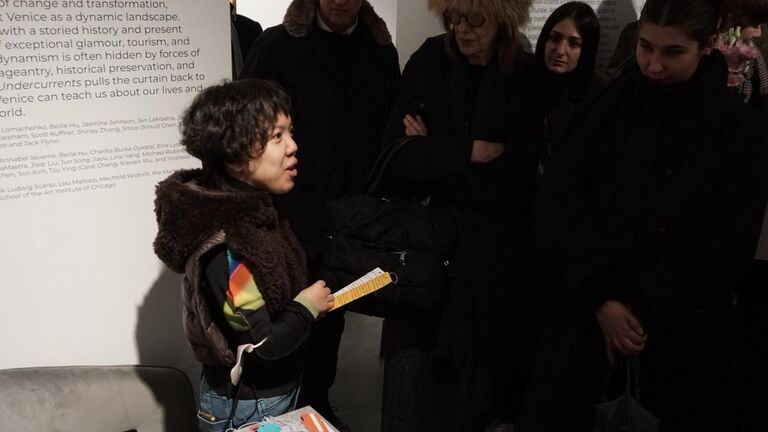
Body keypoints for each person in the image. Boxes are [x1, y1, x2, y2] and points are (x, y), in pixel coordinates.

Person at [521, 0, 768, 430]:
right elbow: (562, 203)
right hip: (587, 322)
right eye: (646, 47)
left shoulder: (737, 129)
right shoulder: (608, 108)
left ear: (708, 45)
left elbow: (727, 241)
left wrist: (640, 307)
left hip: (683, 337)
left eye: (672, 53)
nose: (653, 65)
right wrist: (603, 297)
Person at [376, 0, 541, 430]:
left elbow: (515, 175)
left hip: (492, 260)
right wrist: (468, 151)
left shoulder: (523, 75)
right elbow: (396, 156)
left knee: (474, 389)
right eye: (454, 18)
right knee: (410, 388)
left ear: (502, 18)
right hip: (425, 255)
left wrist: (434, 152)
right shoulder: (430, 59)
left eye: (476, 19)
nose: (462, 30)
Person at [239, 1, 399, 429]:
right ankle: (278, 411)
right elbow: (246, 125)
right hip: (289, 212)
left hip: (349, 215)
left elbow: (387, 125)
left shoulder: (380, 51)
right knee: (284, 312)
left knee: (333, 313)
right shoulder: (276, 45)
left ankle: (316, 403)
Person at [153, 80, 335, 432]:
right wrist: (306, 308)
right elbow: (259, 347)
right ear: (235, 157)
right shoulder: (228, 251)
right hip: (248, 406)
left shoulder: (257, 213)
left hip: (271, 394)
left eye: (290, 132)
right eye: (277, 137)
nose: (293, 146)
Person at [534, 1, 604, 171]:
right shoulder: (526, 81)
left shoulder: (597, 98)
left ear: (585, 50)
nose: (560, 50)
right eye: (555, 38)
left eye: (573, 43)